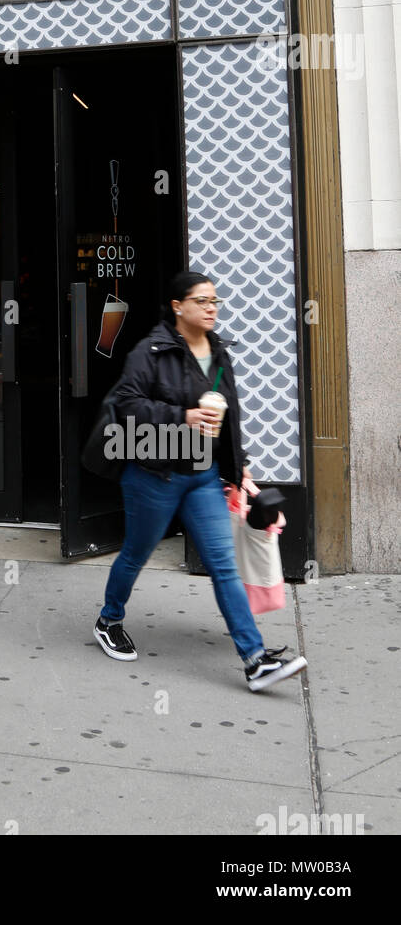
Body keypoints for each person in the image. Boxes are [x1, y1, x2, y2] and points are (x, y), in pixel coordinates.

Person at [92, 270, 307, 692]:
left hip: (204, 476)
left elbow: (231, 414)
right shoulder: (149, 351)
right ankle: (109, 618)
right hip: (155, 474)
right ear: (178, 306)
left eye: (215, 301)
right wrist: (183, 416)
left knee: (224, 565)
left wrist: (239, 464)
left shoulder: (219, 351)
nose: (212, 308)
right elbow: (127, 403)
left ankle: (254, 660)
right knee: (136, 553)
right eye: (202, 301)